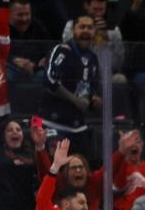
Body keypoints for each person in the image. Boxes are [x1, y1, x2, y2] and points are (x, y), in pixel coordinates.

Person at [37, 16, 101, 156]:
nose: (86, 31)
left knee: (85, 166)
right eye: (82, 27)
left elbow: (92, 88)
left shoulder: (93, 58)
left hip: (78, 126)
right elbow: (50, 80)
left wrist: (94, 100)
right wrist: (75, 100)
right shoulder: (62, 50)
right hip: (52, 123)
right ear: (73, 30)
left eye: (90, 27)